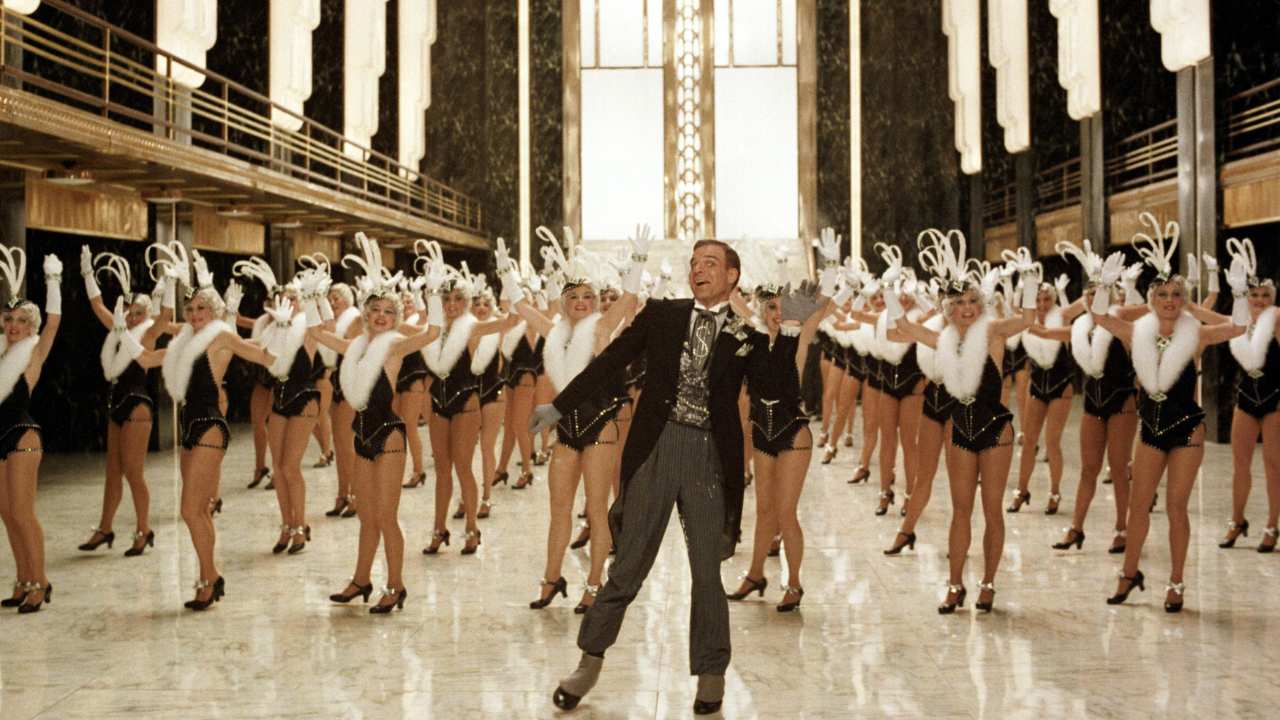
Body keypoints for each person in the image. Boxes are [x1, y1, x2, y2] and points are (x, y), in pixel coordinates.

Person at [538, 239, 822, 715]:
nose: (698, 270)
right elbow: (612, 362)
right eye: (694, 263)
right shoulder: (662, 314)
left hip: (708, 457)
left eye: (710, 263)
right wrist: (560, 405)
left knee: (707, 572)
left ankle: (711, 674)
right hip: (656, 448)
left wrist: (791, 328)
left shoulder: (744, 333)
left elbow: (777, 388)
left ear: (732, 276)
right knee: (627, 567)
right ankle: (588, 664)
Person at [1093, 215, 1245, 613]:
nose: (1170, 301)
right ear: (1151, 299)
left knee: (1177, 506)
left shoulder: (1195, 334)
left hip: (1187, 427)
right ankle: (1129, 573)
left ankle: (1176, 583)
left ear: (1184, 300)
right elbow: (1098, 318)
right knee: (1137, 505)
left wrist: (1239, 295)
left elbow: (1239, 328)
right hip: (1151, 427)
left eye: (1177, 296)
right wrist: (1104, 287)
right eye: (1163, 295)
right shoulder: (1135, 333)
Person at [891, 236, 1036, 615]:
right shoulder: (942, 338)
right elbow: (902, 328)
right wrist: (892, 293)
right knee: (960, 509)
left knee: (992, 509)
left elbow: (1029, 320)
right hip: (960, 427)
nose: (967, 308)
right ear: (948, 309)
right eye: (958, 303)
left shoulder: (993, 333)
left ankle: (987, 582)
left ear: (981, 305)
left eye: (973, 301)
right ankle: (955, 585)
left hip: (995, 429)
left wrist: (1030, 281)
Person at [511, 229, 638, 613]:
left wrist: (640, 262)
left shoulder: (601, 328)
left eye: (588, 297)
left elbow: (630, 299)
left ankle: (596, 582)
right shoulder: (555, 333)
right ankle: (552, 578)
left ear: (596, 300)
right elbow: (522, 309)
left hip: (602, 423)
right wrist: (507, 274)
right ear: (563, 303)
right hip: (567, 429)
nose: (582, 303)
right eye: (574, 298)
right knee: (558, 508)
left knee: (596, 508)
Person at [319, 234, 443, 613]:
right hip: (361, 434)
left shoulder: (392, 346)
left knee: (386, 517)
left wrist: (434, 295)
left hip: (388, 435)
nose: (380, 318)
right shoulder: (355, 347)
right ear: (365, 315)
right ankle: (360, 579)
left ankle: (396, 584)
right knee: (366, 515)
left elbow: (433, 334)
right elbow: (316, 335)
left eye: (388, 313)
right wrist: (316, 299)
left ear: (395, 320)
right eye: (374, 312)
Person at [77, 248, 167, 557]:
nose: (131, 317)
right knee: (113, 472)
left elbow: (166, 318)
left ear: (147, 315)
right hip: (117, 404)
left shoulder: (149, 334)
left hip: (138, 405)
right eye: (128, 312)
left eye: (138, 313)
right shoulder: (119, 330)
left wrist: (166, 288)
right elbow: (97, 304)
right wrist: (88, 273)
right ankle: (105, 528)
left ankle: (144, 529)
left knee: (133, 471)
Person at [1200, 238, 1280, 553]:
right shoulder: (1239, 322)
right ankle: (1237, 520)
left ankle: (1273, 524)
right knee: (1240, 465)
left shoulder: (1276, 320)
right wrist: (1211, 283)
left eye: (1264, 295)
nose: (1258, 300)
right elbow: (1200, 316)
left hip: (1275, 398)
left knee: (1274, 465)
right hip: (1245, 397)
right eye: (1253, 295)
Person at [0, 248, 62, 613]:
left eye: (21, 320)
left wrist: (53, 281)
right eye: (8, 319)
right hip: (0, 438)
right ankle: (23, 579)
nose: (13, 326)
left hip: (23, 435)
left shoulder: (34, 351)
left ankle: (41, 581)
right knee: (8, 514)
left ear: (31, 327)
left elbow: (52, 324)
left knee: (23, 513)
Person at [321, 283, 363, 519]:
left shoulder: (354, 320)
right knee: (339, 443)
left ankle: (356, 494)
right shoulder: (334, 324)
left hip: (350, 381)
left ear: (347, 300)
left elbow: (355, 352)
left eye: (337, 297)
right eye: (330, 298)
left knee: (348, 444)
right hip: (336, 380)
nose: (333, 301)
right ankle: (342, 493)